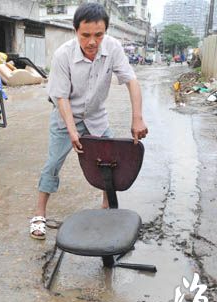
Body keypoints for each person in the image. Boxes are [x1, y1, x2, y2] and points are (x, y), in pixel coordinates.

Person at [29, 3, 148, 240]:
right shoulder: (63, 54)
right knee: (53, 163)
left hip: (96, 116)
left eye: (98, 35)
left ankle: (106, 209)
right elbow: (60, 96)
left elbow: (131, 81)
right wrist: (72, 131)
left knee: (109, 161)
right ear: (75, 32)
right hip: (65, 116)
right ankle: (39, 213)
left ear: (105, 31)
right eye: (85, 35)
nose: (92, 42)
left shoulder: (113, 48)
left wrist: (137, 118)